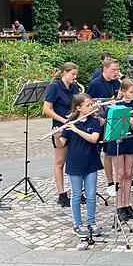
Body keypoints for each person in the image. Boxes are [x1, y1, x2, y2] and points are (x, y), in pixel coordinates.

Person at [56, 93, 103, 238]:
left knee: (90, 195)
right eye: (88, 105)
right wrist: (56, 135)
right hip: (75, 163)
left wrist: (77, 130)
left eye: (91, 104)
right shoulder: (70, 123)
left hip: (91, 162)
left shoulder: (94, 122)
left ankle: (91, 222)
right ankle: (77, 224)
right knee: (76, 195)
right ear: (79, 108)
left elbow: (94, 139)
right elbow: (61, 144)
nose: (91, 107)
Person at [43, 62, 82, 207]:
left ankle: (77, 191)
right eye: (73, 74)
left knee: (76, 158)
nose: (75, 77)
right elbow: (47, 109)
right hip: (60, 126)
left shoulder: (74, 87)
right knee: (60, 161)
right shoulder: (54, 86)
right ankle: (62, 194)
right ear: (65, 72)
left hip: (73, 125)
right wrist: (63, 120)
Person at [105, 79, 133, 221]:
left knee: (128, 173)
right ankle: (119, 206)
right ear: (123, 92)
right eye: (131, 91)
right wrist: (111, 108)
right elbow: (106, 121)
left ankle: (127, 204)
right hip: (116, 140)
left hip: (131, 139)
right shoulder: (115, 105)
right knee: (119, 174)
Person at [87, 58, 121, 197]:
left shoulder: (116, 83)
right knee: (107, 153)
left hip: (114, 120)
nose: (117, 73)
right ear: (105, 69)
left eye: (118, 70)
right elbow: (89, 104)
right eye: (114, 70)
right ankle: (110, 182)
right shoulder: (96, 84)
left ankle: (118, 181)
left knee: (114, 151)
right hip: (101, 121)